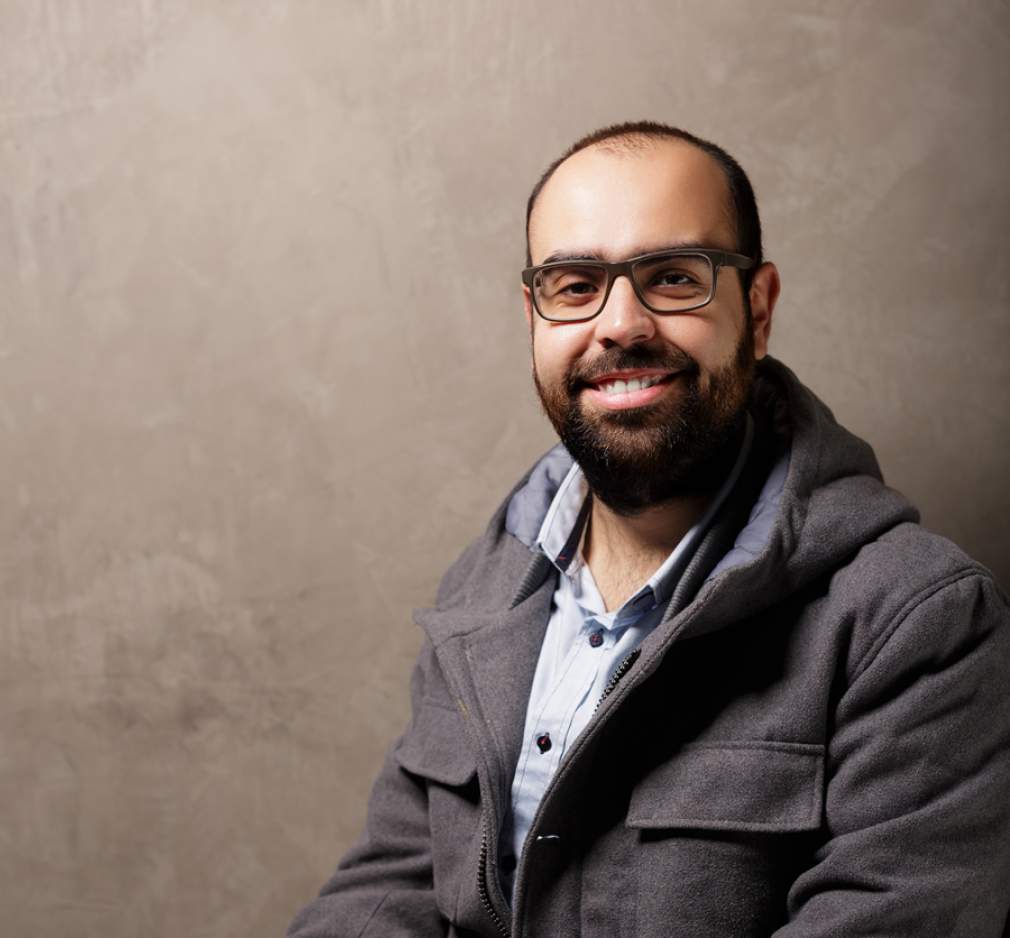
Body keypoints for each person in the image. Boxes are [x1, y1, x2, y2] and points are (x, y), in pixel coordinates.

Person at [287, 121, 1010, 937]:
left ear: (758, 309)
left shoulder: (917, 624)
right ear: (534, 316)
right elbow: (393, 887)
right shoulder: (486, 592)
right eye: (574, 285)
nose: (621, 325)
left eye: (672, 277)